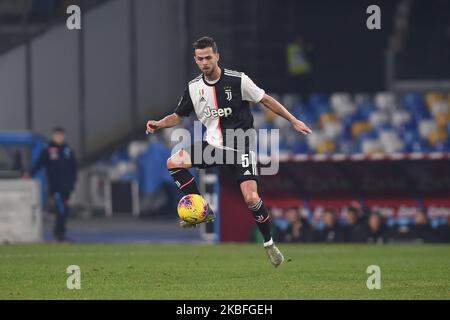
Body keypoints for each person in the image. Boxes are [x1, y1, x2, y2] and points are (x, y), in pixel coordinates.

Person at [146, 36, 312, 267]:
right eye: (200, 59)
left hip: (241, 145)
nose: (204, 62)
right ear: (195, 60)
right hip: (213, 145)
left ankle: (270, 244)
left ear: (217, 56)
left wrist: (293, 120)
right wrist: (159, 123)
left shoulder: (238, 80)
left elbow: (265, 100)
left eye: (208, 57)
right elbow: (177, 115)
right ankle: (201, 209)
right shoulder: (194, 88)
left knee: (251, 198)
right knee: (174, 162)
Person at [23, 127, 77, 242]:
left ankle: (61, 234)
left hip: (67, 188)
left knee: (65, 210)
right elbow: (39, 163)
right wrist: (29, 173)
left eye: (61, 135)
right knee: (60, 209)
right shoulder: (48, 150)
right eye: (57, 135)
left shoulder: (68, 150)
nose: (59, 137)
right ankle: (59, 234)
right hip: (55, 187)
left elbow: (74, 168)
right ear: (53, 136)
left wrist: (73, 184)